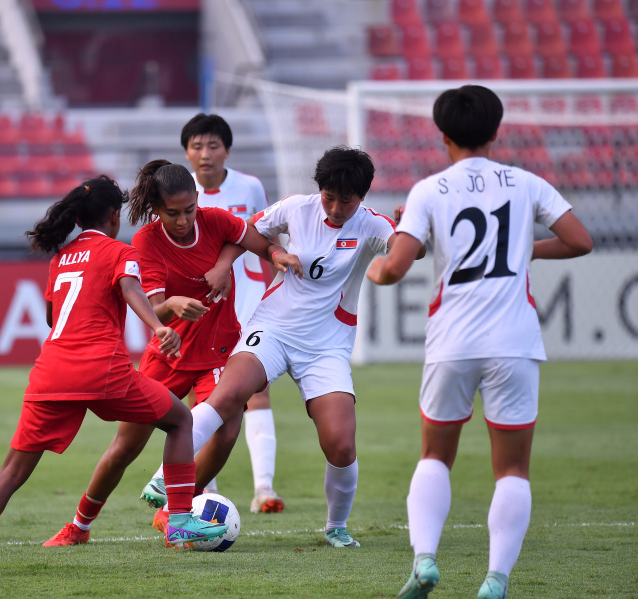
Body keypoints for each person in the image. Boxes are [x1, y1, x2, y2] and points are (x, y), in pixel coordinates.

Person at [0, 176, 229, 577]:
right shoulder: (119, 251)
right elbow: (130, 289)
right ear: (112, 215)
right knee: (181, 419)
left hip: (51, 373)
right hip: (103, 369)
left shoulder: (60, 258)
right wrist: (158, 328)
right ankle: (178, 524)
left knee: (11, 471)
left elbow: (54, 318)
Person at [365, 85, 593, 599]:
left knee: (434, 456)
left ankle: (424, 560)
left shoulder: (429, 190)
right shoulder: (527, 183)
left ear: (443, 134)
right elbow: (581, 240)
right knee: (512, 468)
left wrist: (377, 266)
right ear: (495, 132)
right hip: (514, 342)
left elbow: (394, 269)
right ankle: (496, 580)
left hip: (452, 342)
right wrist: (522, 248)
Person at [143, 145, 426, 549]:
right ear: (320, 190)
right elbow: (246, 232)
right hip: (273, 328)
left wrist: (410, 231)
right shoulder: (297, 207)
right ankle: (163, 478)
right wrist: (235, 262)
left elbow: (411, 250)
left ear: (361, 197)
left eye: (346, 200)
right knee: (230, 395)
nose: (335, 208)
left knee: (342, 444)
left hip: (326, 347)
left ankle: (336, 526)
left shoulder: (372, 225)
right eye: (329, 197)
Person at [41, 160, 299, 547]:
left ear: (198, 200)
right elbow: (154, 307)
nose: (182, 221)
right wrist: (174, 306)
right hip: (169, 353)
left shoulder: (215, 220)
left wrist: (274, 257)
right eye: (172, 213)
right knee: (126, 446)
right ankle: (79, 525)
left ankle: (174, 510)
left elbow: (254, 240)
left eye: (189, 210)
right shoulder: (145, 241)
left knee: (228, 428)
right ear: (156, 210)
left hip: (216, 351)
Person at [181, 113, 284, 513]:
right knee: (203, 399)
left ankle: (265, 490)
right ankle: (204, 492)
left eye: (213, 146)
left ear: (227, 149)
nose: (205, 154)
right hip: (201, 312)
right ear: (186, 151)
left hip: (249, 305)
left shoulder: (249, 187)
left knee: (257, 392)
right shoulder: (176, 193)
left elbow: (267, 239)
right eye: (197, 146)